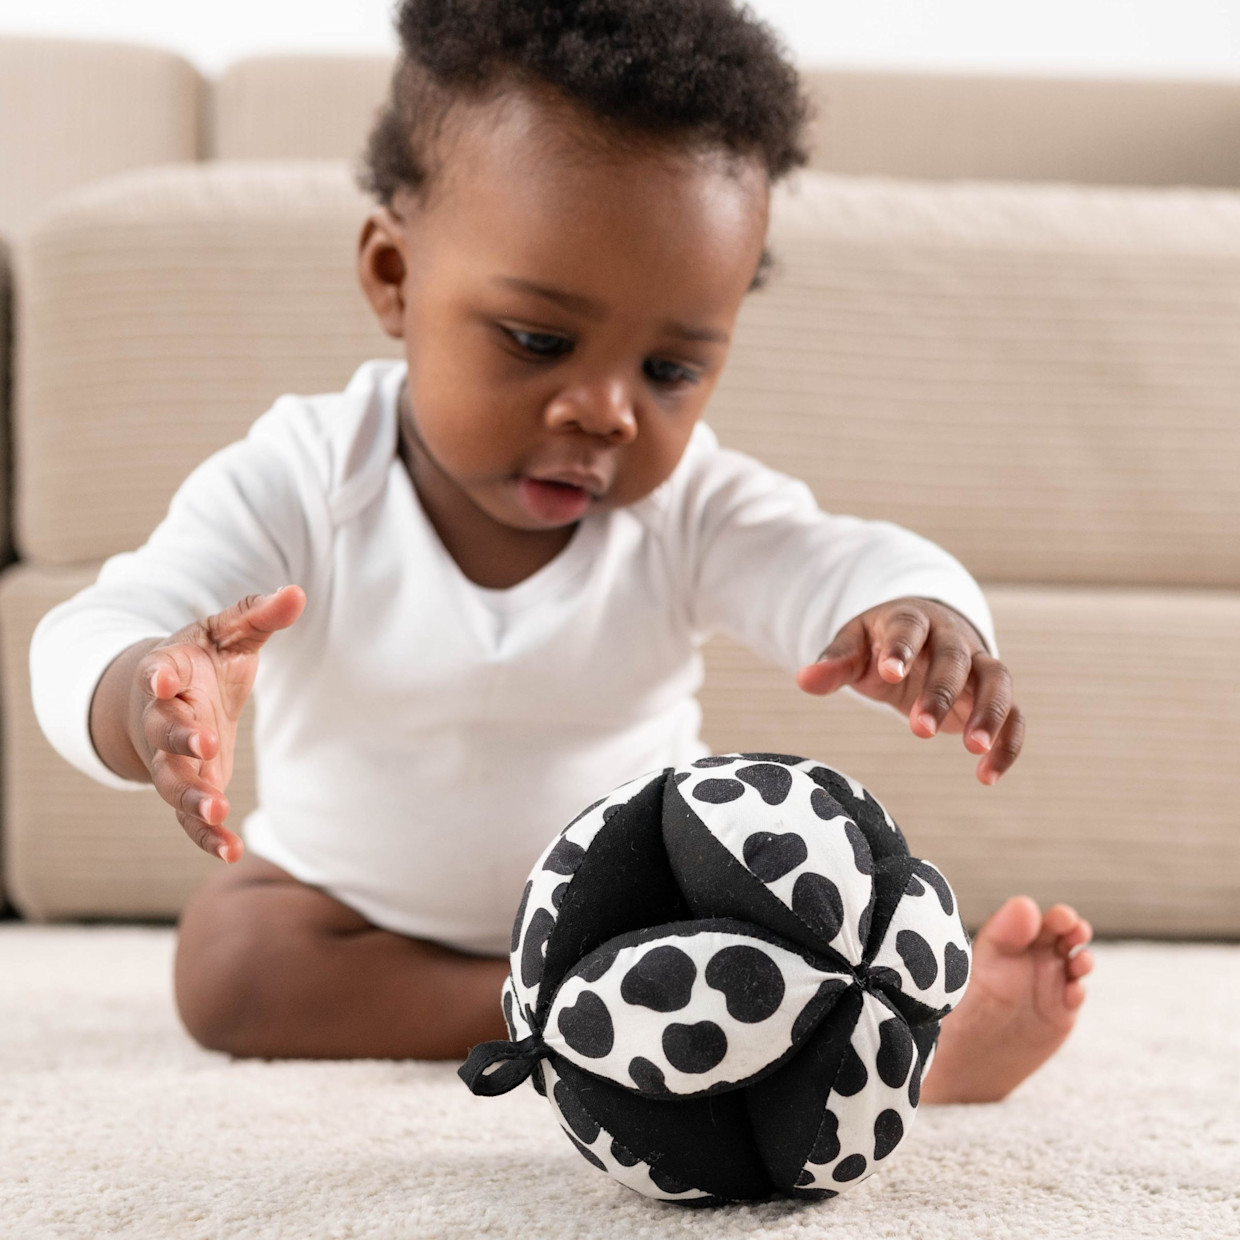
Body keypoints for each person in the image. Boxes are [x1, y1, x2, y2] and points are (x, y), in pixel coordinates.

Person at [30, 0, 1092, 1104]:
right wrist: (147, 688)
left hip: (635, 906)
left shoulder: (687, 503)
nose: (607, 412)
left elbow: (833, 559)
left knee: (790, 914)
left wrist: (917, 611)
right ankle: (566, 1015)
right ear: (394, 277)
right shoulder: (302, 474)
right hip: (354, 915)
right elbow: (91, 629)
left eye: (670, 370)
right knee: (228, 964)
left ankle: (908, 1047)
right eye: (539, 341)